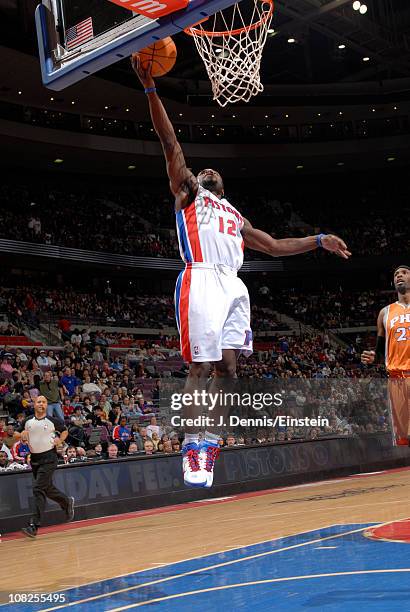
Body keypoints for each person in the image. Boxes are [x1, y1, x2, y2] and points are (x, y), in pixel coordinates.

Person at [131, 56, 351, 489]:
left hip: (234, 284)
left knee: (229, 370)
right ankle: (192, 444)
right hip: (201, 277)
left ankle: (211, 439)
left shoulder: (235, 214)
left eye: (216, 171)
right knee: (200, 366)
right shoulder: (189, 194)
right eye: (204, 169)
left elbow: (273, 246)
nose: (207, 170)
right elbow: (171, 143)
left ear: (225, 186)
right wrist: (151, 90)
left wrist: (318, 240)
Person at [361, 265, 410, 445]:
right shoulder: (385, 312)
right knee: (405, 437)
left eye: (404, 273)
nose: (399, 275)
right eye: (396, 274)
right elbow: (380, 350)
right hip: (396, 378)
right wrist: (374, 357)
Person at [15, 395, 74, 538]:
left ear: (47, 405)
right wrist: (20, 435)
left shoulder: (53, 420)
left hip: (49, 458)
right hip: (35, 459)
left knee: (38, 489)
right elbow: (17, 433)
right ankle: (66, 502)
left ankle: (34, 526)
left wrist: (60, 439)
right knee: (46, 488)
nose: (41, 404)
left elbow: (65, 430)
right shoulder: (27, 421)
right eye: (38, 402)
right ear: (34, 404)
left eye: (44, 402)